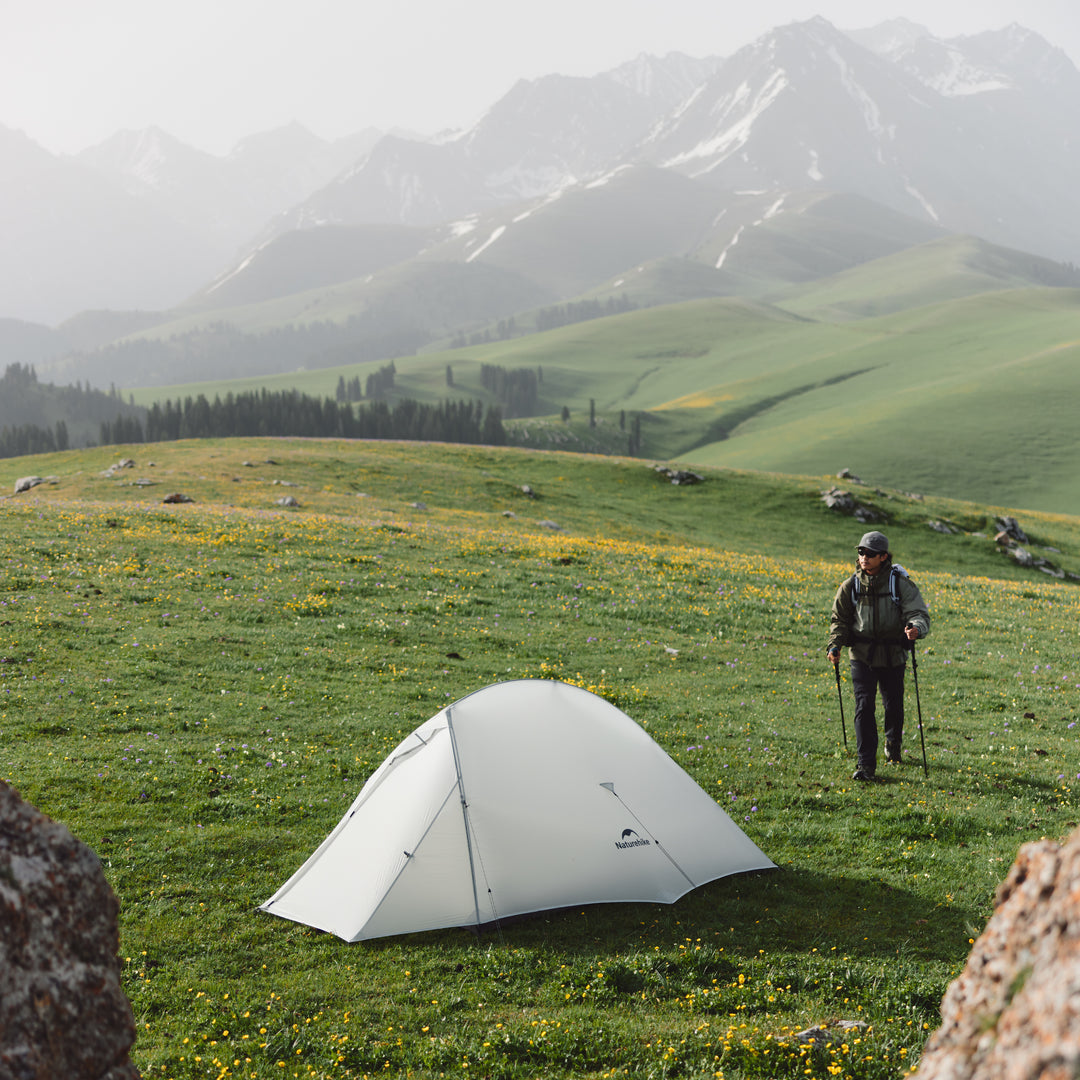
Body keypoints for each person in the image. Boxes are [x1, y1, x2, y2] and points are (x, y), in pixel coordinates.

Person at [826, 530, 930, 781]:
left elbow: (919, 613)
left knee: (893, 705)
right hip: (861, 655)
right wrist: (834, 645)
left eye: (870, 554)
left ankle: (893, 745)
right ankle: (865, 766)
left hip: (893, 655)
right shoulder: (850, 586)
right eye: (861, 552)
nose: (864, 557)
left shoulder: (899, 585)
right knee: (863, 706)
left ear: (883, 557)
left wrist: (916, 629)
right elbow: (839, 620)